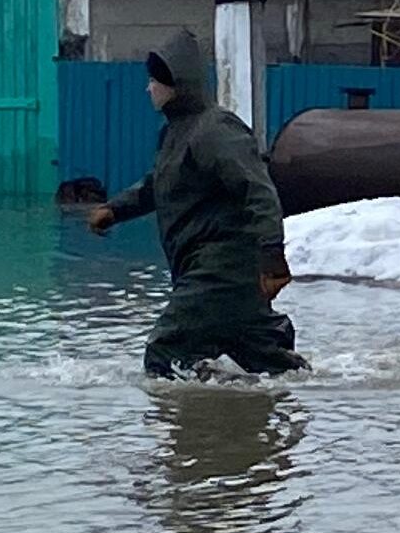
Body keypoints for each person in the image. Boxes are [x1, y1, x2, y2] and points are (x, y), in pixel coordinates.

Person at [86, 39, 302, 378]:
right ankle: (282, 412)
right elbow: (159, 183)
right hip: (213, 272)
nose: (148, 88)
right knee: (271, 366)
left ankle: (185, 425)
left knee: (165, 353)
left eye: (154, 81)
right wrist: (115, 210)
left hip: (221, 269)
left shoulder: (215, 130)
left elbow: (258, 191)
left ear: (175, 83)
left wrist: (272, 255)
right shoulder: (177, 132)